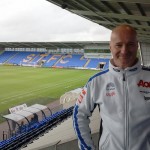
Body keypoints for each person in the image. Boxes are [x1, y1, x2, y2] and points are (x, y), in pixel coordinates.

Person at [73, 24, 150, 150]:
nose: (124, 51)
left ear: (137, 46)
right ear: (110, 47)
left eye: (130, 44)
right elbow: (79, 114)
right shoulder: (96, 82)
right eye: (119, 45)